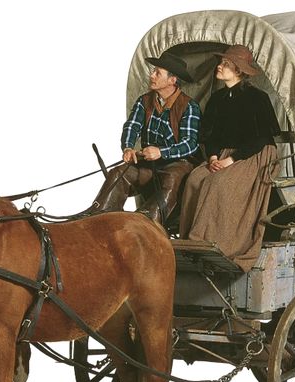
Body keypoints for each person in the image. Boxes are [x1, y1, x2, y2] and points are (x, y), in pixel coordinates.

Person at [179, 45, 281, 272]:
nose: (220, 66)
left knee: (219, 184)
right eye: (221, 63)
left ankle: (215, 244)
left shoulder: (258, 98)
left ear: (239, 71)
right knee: (195, 179)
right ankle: (189, 241)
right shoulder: (217, 99)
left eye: (225, 64)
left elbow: (261, 139)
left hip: (254, 155)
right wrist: (214, 156)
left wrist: (229, 161)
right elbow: (210, 135)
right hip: (223, 154)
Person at [89, 50, 201, 224]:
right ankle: (98, 218)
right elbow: (132, 126)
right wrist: (127, 147)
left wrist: (161, 152)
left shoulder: (189, 107)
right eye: (153, 71)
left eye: (158, 73)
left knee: (172, 179)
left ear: (173, 80)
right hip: (148, 163)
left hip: (177, 164)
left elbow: (190, 144)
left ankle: (144, 223)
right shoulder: (144, 101)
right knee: (118, 172)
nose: (152, 75)